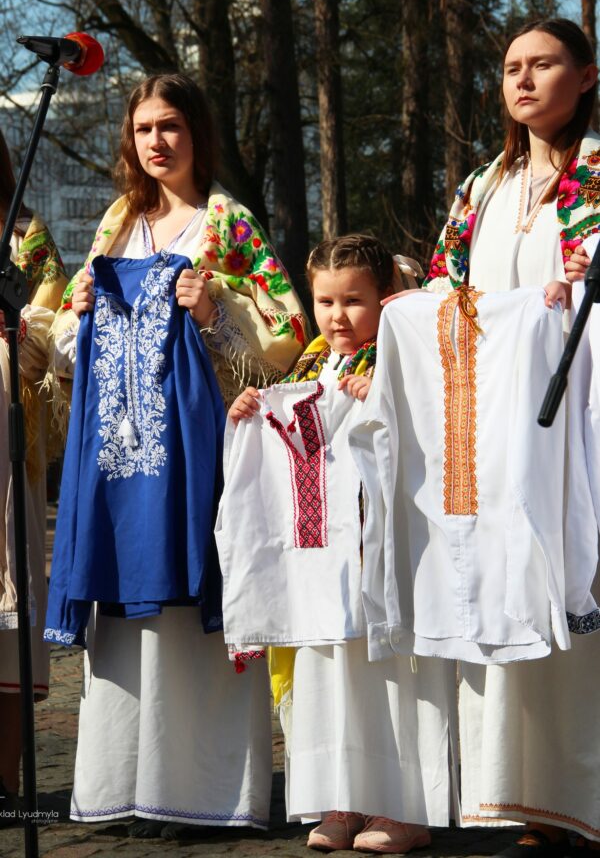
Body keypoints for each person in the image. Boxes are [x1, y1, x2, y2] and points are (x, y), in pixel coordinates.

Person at [45, 74, 307, 838]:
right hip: (120, 462)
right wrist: (78, 315)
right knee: (125, 620)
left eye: (170, 126)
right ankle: (125, 787)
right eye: (143, 128)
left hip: (199, 452)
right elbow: (65, 344)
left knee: (194, 616)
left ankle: (201, 793)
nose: (156, 141)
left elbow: (288, 337)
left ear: (197, 133)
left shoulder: (227, 222)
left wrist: (215, 310)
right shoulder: (118, 221)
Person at [389, 18, 600, 854]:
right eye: (512, 66)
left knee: (571, 578)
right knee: (506, 582)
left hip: (578, 413)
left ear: (587, 76)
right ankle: (524, 799)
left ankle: (584, 797)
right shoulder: (484, 183)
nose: (524, 80)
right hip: (495, 424)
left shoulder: (599, 170)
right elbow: (450, 284)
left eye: (543, 64)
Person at [229, 235, 451, 854]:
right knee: (331, 675)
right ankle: (342, 799)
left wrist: (381, 399)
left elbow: (431, 430)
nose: (338, 317)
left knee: (389, 675)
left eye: (353, 301)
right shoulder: (309, 365)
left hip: (387, 550)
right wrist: (249, 410)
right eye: (326, 302)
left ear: (384, 298)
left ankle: (403, 808)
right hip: (325, 561)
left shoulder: (400, 355)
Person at [0, 127, 67, 817]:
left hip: (4, 435)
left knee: (10, 616)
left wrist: (16, 334)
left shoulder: (25, 236)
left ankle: (5, 780)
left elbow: (46, 328)